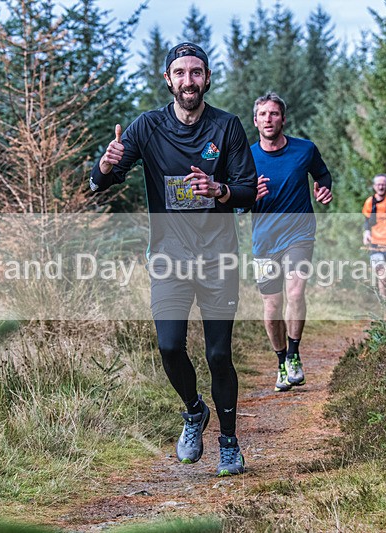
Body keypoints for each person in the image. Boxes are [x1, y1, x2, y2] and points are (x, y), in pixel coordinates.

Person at [89, 42, 257, 476]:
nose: (188, 80)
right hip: (168, 257)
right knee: (169, 346)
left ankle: (229, 444)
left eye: (196, 72)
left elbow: (245, 189)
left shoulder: (228, 127)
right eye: (180, 73)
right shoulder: (148, 127)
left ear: (206, 78)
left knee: (219, 356)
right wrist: (103, 168)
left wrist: (218, 190)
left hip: (218, 257)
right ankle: (193, 411)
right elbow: (102, 182)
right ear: (168, 79)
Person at [249, 92, 333, 393]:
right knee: (271, 307)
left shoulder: (304, 150)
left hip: (299, 233)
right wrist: (249, 197)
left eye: (274, 114)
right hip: (264, 241)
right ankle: (281, 361)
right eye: (263, 114)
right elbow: (233, 201)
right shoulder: (247, 158)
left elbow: (323, 175)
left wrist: (324, 189)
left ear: (283, 119)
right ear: (255, 120)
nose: (269, 119)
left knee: (295, 292)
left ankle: (295, 354)